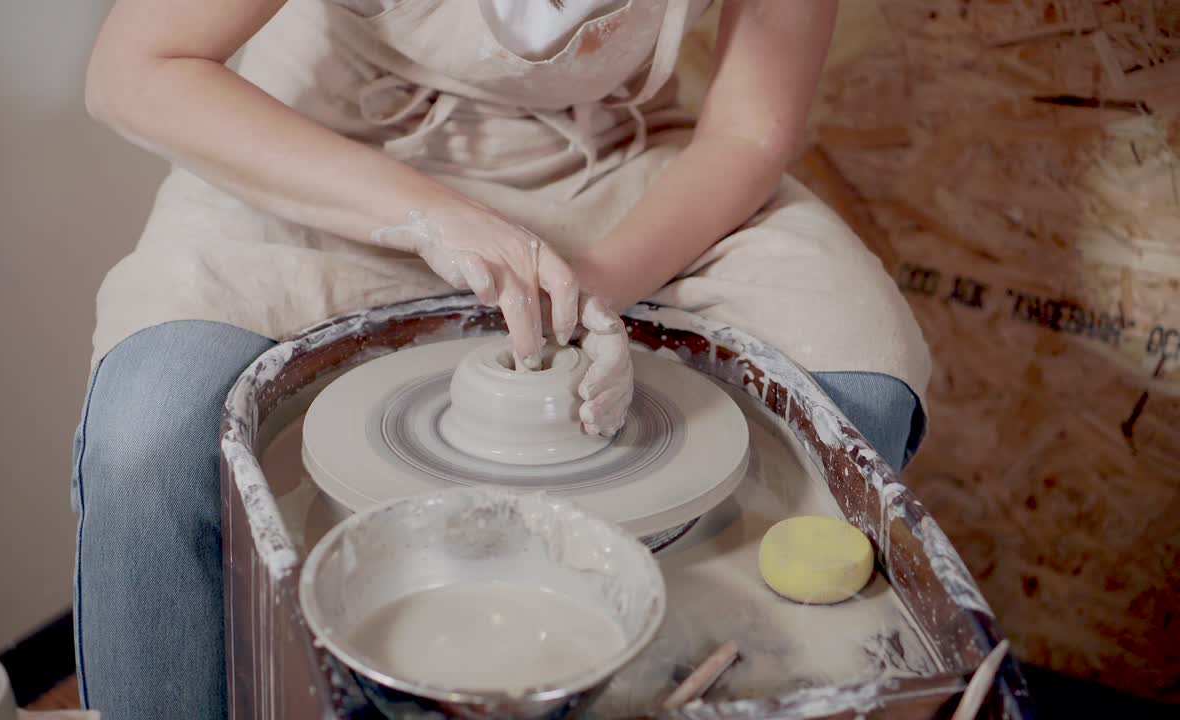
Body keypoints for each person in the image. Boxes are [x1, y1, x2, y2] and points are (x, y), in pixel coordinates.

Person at [72, 0, 930, 717]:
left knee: (852, 389)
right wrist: (430, 216)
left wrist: (595, 288)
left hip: (602, 167)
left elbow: (747, 133)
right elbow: (136, 70)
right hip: (328, 155)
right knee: (152, 437)